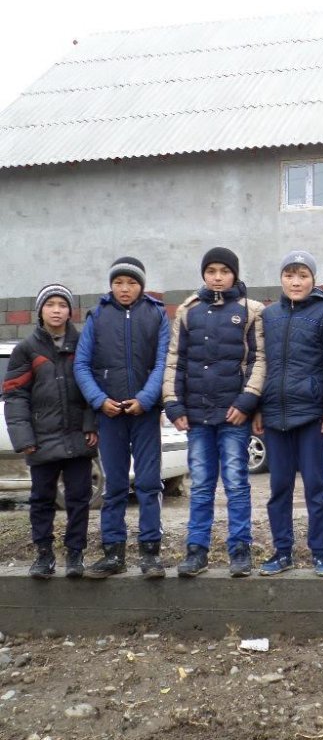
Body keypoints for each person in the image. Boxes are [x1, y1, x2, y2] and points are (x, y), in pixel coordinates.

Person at [163, 247, 266, 578]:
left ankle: (240, 551)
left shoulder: (251, 311)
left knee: (236, 483)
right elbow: (175, 361)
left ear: (235, 274)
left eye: (224, 271)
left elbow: (259, 360)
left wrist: (247, 401)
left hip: (234, 416)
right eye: (211, 271)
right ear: (204, 275)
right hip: (197, 417)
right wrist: (173, 404)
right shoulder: (187, 311)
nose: (218, 277)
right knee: (201, 485)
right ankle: (196, 551)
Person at [74, 257, 170, 579]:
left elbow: (163, 362)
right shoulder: (98, 316)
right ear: (111, 285)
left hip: (145, 414)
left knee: (148, 483)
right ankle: (113, 553)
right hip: (110, 414)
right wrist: (100, 401)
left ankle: (150, 554)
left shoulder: (156, 314)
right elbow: (81, 365)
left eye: (131, 283)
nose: (125, 288)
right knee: (114, 486)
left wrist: (146, 399)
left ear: (141, 285)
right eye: (118, 283)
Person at [253, 250, 323, 577]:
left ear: (313, 279)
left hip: (313, 415)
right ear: (281, 279)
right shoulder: (269, 315)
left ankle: (321, 553)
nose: (296, 282)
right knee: (279, 488)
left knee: (316, 487)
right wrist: (258, 407)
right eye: (289, 275)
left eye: (303, 275)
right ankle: (282, 551)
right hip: (275, 416)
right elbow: (258, 364)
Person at [3, 284, 98, 579]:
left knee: (79, 498)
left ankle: (75, 553)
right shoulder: (26, 349)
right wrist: (24, 438)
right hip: (41, 439)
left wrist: (90, 423)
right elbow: (15, 395)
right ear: (40, 311)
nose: (56, 310)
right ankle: (44, 554)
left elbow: (93, 387)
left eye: (62, 305)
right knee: (41, 498)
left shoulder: (83, 345)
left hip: (77, 437)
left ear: (70, 311)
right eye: (50, 304)